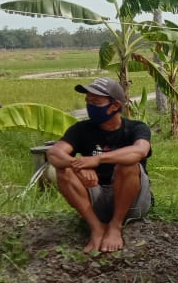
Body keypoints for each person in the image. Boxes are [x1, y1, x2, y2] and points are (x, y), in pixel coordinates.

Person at [46, 78, 152, 253]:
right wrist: (78, 164)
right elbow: (54, 154)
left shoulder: (136, 128)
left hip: (133, 203)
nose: (89, 106)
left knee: (127, 164)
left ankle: (115, 226)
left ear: (115, 106)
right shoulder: (81, 129)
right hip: (96, 196)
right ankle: (96, 227)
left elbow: (139, 151)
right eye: (87, 101)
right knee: (63, 169)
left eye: (96, 102)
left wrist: (98, 160)